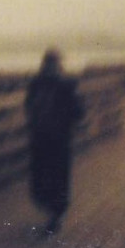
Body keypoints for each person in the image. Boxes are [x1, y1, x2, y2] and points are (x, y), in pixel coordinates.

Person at [24, 49, 84, 234]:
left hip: (49, 139)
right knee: (51, 177)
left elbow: (28, 107)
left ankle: (53, 214)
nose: (52, 67)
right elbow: (78, 112)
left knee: (49, 177)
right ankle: (54, 213)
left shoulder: (42, 83)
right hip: (50, 139)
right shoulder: (56, 84)